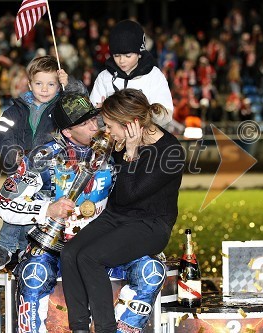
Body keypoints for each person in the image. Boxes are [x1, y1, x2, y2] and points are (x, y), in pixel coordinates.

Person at [61, 88, 185, 333]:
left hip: (150, 225)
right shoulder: (118, 144)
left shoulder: (170, 152)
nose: (107, 130)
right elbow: (117, 196)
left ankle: (105, 329)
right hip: (117, 217)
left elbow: (130, 196)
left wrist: (131, 153)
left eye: (109, 125)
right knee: (69, 253)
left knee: (89, 257)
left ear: (131, 125)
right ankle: (79, 328)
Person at [0, 55, 83, 270]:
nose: (44, 89)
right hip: (22, 167)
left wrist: (71, 85)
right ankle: (6, 246)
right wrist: (13, 151)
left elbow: (82, 104)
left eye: (51, 84)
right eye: (39, 83)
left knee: (39, 210)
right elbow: (2, 132)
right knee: (19, 202)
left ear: (59, 85)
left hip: (53, 170)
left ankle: (23, 247)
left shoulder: (62, 108)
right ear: (29, 84)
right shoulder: (16, 109)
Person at [89, 19, 173, 128]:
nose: (121, 60)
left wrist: (144, 114)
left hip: (145, 139)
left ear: (139, 53)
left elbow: (166, 114)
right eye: (116, 55)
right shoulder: (105, 77)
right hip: (113, 139)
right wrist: (100, 113)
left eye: (128, 56)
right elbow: (92, 117)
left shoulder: (153, 75)